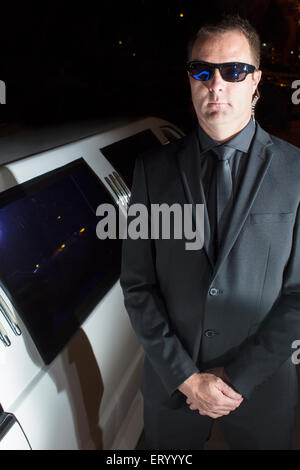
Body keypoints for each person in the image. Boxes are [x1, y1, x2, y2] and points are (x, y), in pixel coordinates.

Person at [120, 14, 300, 450]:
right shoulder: (152, 170)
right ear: (190, 80)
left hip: (262, 389)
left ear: (256, 80)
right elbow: (138, 285)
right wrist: (185, 376)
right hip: (172, 387)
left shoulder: (296, 171)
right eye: (203, 71)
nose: (216, 84)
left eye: (234, 71)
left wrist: (238, 378)